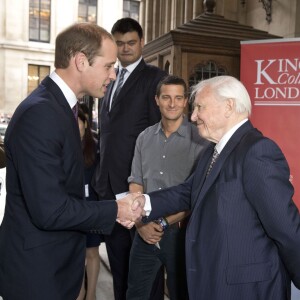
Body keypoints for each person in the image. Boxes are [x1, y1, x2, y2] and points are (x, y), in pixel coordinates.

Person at [0, 23, 144, 300]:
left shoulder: (60, 107)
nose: (113, 75)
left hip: (55, 265)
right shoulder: (41, 113)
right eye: (108, 66)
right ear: (80, 61)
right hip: (38, 273)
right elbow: (50, 210)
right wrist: (115, 210)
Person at [132, 75, 300, 300]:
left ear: (229, 106)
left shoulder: (257, 151)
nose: (193, 116)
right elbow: (186, 192)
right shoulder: (213, 151)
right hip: (217, 279)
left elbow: (286, 228)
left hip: (246, 288)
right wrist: (142, 203)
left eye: (199, 107)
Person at [92, 17, 167, 300]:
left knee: (145, 272)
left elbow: (158, 138)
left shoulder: (155, 79)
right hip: (108, 189)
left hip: (138, 192)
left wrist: (148, 192)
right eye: (119, 43)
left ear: (142, 43)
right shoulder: (108, 79)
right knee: (119, 265)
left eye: (131, 43)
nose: (125, 49)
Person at [126, 75, 209, 300]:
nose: (172, 103)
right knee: (135, 294)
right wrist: (140, 222)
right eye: (166, 97)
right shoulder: (144, 137)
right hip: (143, 231)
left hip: (181, 235)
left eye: (178, 98)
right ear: (157, 100)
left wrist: (163, 222)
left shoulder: (201, 140)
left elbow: (197, 193)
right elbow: (136, 182)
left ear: (185, 102)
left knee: (182, 294)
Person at [77, 106, 103, 300]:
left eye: (77, 121)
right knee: (75, 253)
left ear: (85, 123)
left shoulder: (94, 145)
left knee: (91, 251)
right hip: (72, 207)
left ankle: (91, 293)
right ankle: (79, 292)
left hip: (92, 206)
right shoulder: (63, 145)